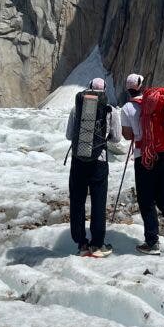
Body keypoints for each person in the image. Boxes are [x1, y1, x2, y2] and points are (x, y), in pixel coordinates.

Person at [121, 73, 164, 255]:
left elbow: (127, 135)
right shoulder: (157, 103)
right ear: (141, 87)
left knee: (146, 200)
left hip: (143, 158)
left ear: (128, 89)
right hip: (162, 155)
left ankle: (152, 242)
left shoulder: (127, 108)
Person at [65, 77, 121, 258]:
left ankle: (81, 243)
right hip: (100, 160)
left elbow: (68, 135)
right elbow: (116, 138)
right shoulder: (110, 110)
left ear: (88, 89)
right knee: (98, 201)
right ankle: (97, 245)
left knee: (77, 201)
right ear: (104, 91)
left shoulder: (77, 108)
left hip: (78, 160)